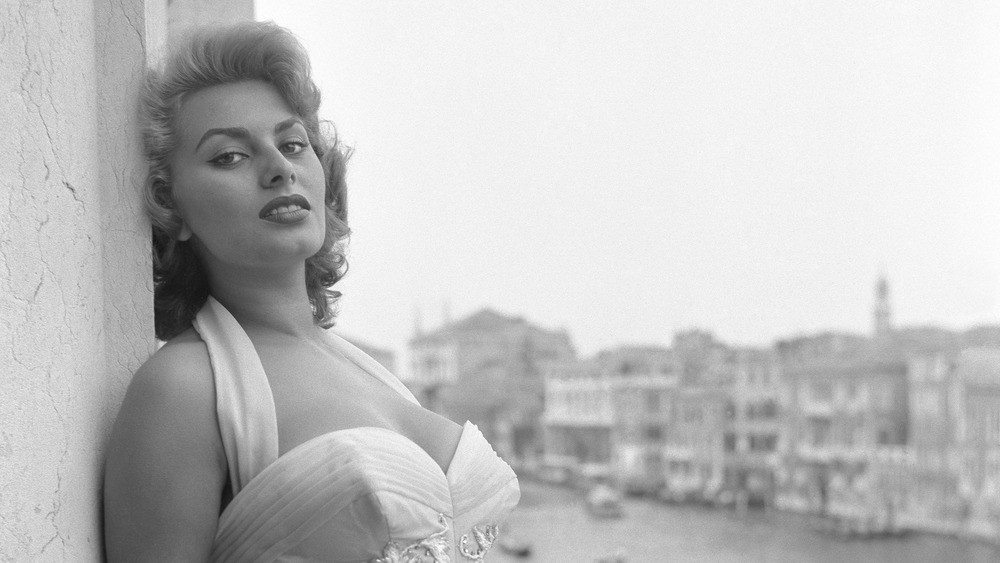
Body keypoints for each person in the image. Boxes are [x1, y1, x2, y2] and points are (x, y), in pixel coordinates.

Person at [103, 21, 519, 562]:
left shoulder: (372, 373)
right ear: (172, 205)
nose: (279, 170)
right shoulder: (184, 388)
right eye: (230, 155)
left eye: (293, 143)